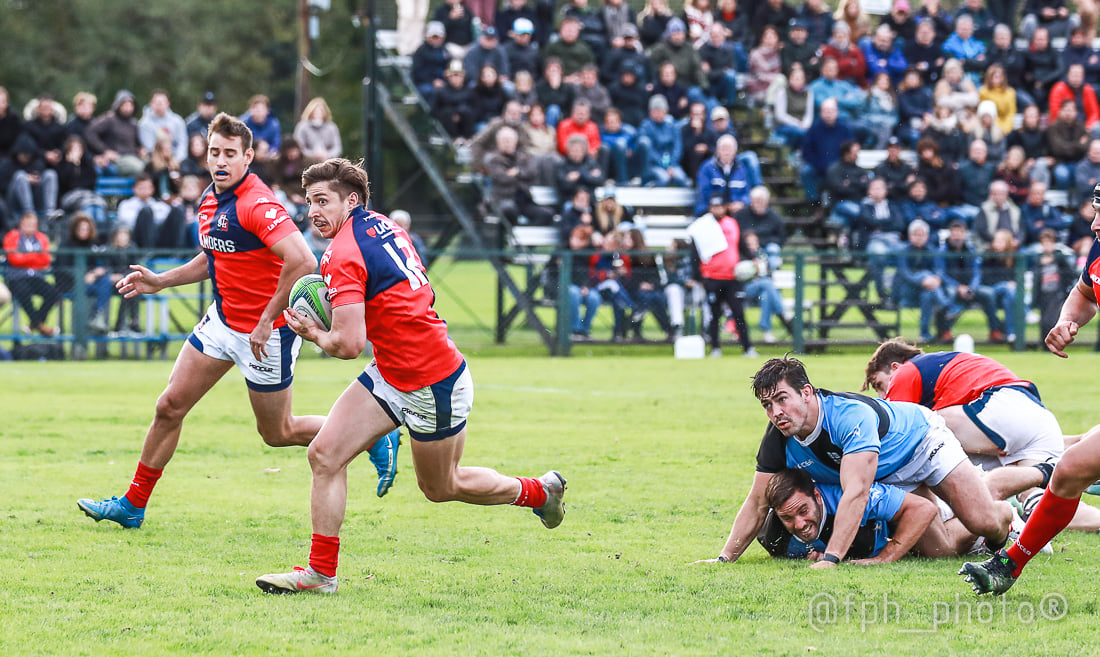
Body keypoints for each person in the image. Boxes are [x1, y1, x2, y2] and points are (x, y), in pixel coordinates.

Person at [254, 158, 566, 594]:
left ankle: (539, 492)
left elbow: (346, 344)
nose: (314, 211)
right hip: (392, 369)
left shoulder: (342, 254)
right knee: (324, 455)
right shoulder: (382, 225)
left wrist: (312, 331)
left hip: (431, 382)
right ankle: (321, 574)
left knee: (441, 486)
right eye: (309, 202)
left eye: (322, 200)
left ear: (352, 200)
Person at [76, 114, 400, 530]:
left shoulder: (257, 203)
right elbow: (214, 256)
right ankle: (132, 505)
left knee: (277, 432)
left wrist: (266, 319)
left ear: (248, 156)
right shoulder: (211, 198)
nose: (221, 161)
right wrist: (161, 281)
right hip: (222, 322)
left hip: (266, 335)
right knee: (169, 406)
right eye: (214, 152)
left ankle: (373, 436)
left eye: (230, 153)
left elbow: (301, 260)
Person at [699, 356, 1011, 566]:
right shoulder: (778, 439)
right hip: (884, 473)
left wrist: (831, 559)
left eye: (782, 399)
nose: (775, 412)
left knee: (984, 522)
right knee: (938, 551)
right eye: (767, 405)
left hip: (922, 444)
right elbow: (757, 503)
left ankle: (1004, 509)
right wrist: (724, 559)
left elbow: (857, 493)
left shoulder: (849, 417)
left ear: (806, 392)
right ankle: (972, 505)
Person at [961, 188, 1100, 591]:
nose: (1094, 225)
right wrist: (1067, 320)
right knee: (1070, 470)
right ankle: (1008, 565)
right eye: (1095, 214)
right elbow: (1086, 292)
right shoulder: (1098, 249)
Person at [756, 467, 940, 564]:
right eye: (787, 518)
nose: (799, 524)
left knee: (942, 548)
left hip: (909, 494)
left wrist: (884, 558)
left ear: (818, 497)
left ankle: (968, 531)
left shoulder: (853, 498)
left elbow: (924, 509)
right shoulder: (772, 536)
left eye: (803, 511)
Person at [688, 194, 755, 358]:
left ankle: (747, 347)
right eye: (714, 207)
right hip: (712, 277)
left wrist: (752, 258)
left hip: (732, 278)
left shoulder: (732, 223)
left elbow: (741, 245)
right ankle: (715, 347)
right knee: (714, 314)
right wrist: (697, 277)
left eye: (720, 206)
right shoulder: (703, 226)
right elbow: (695, 253)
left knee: (738, 313)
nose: (717, 209)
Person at [2, 212, 60, 336]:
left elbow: (46, 259)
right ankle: (40, 326)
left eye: (33, 224)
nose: (30, 227)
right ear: (21, 224)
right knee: (23, 292)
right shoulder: (12, 236)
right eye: (27, 224)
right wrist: (35, 257)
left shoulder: (41, 238)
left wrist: (24, 257)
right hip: (16, 277)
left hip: (36, 277)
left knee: (53, 293)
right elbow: (14, 259)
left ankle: (35, 324)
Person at [138, 89, 188, 163]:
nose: (159, 105)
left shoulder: (178, 121)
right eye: (156, 103)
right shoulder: (144, 123)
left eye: (161, 103)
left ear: (168, 104)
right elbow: (149, 146)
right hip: (154, 159)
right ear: (151, 104)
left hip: (176, 159)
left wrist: (178, 159)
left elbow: (182, 143)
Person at [293, 97, 342, 161]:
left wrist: (327, 155)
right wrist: (313, 155)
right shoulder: (302, 127)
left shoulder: (332, 127)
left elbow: (337, 147)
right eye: (315, 112)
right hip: (306, 162)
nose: (318, 114)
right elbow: (298, 146)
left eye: (320, 111)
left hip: (328, 161)